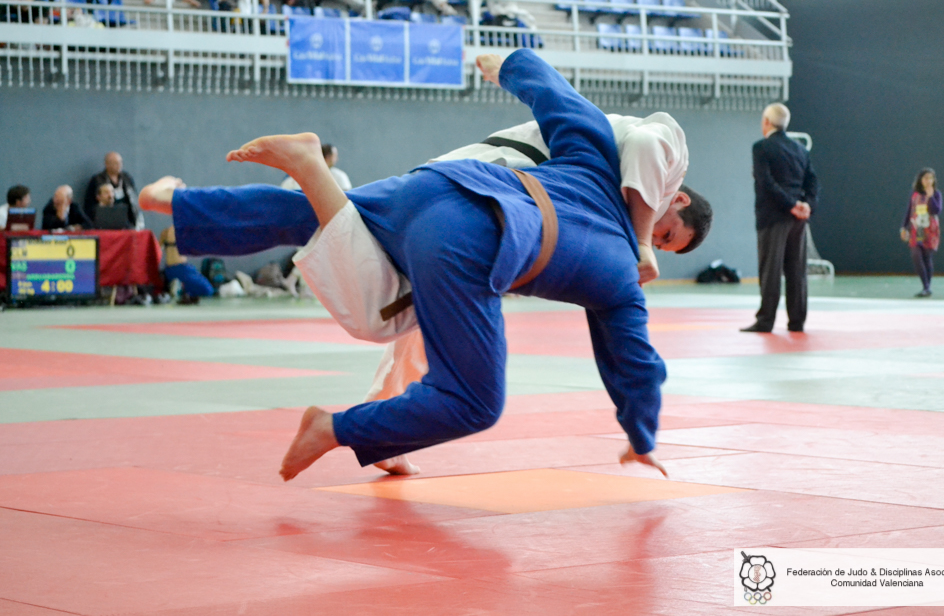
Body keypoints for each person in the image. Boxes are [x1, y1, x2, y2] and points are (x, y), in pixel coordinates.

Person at [141, 49, 679, 481]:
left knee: (320, 216)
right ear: (665, 202)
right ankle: (332, 429)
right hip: (468, 236)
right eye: (665, 235)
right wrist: (641, 436)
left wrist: (505, 66)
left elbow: (553, 90)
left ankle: (178, 204)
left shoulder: (593, 157)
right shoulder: (622, 277)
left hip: (434, 184)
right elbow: (638, 365)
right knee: (469, 397)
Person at [741, 103, 819, 334]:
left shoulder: (761, 148)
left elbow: (766, 183)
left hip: (773, 217)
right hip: (798, 221)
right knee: (797, 271)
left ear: (766, 122)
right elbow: (813, 182)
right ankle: (797, 321)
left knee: (770, 270)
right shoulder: (800, 150)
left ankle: (766, 320)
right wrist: (806, 205)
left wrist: (790, 205)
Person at [900, 168, 942, 298]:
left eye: (931, 178)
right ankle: (926, 286)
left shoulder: (936, 194)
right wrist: (903, 227)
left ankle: (926, 288)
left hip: (930, 229)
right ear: (920, 180)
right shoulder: (914, 194)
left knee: (926, 257)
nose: (928, 181)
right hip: (916, 229)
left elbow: (936, 210)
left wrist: (930, 197)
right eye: (926, 178)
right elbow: (909, 211)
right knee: (916, 255)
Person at [84, 151, 145, 229]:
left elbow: (134, 199)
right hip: (104, 220)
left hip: (126, 221)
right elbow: (89, 204)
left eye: (120, 162)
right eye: (115, 163)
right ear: (107, 164)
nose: (119, 165)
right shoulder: (97, 180)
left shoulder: (127, 179)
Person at [160, 225, 215, 303]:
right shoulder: (182, 230)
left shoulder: (165, 232)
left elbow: (158, 251)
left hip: (170, 270)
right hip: (182, 269)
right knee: (208, 290)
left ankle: (178, 287)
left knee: (198, 281)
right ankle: (180, 289)